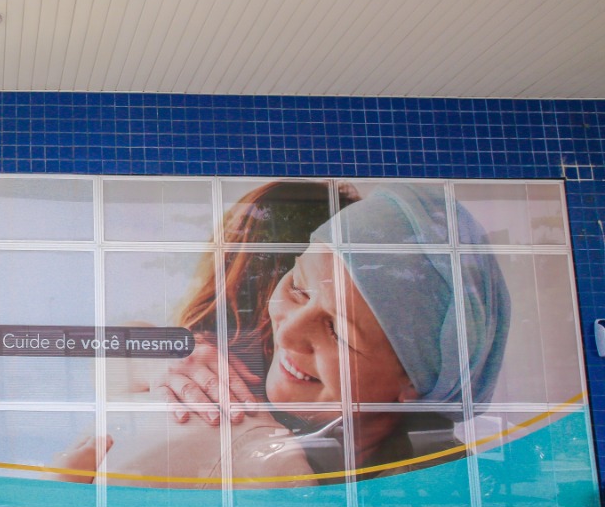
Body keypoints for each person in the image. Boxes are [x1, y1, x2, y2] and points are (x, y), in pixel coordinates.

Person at [55, 182, 510, 488]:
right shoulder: (220, 403)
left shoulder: (441, 482)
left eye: (338, 329)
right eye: (297, 287)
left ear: (416, 379)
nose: (287, 332)